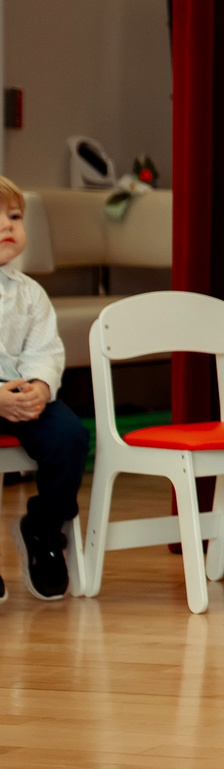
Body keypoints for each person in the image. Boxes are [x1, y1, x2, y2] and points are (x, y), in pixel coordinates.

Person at [0, 176, 79, 602]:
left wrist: (40, 387)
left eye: (13, 216)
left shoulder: (30, 294)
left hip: (23, 389)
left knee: (69, 436)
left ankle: (44, 531)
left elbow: (46, 349)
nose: (6, 226)